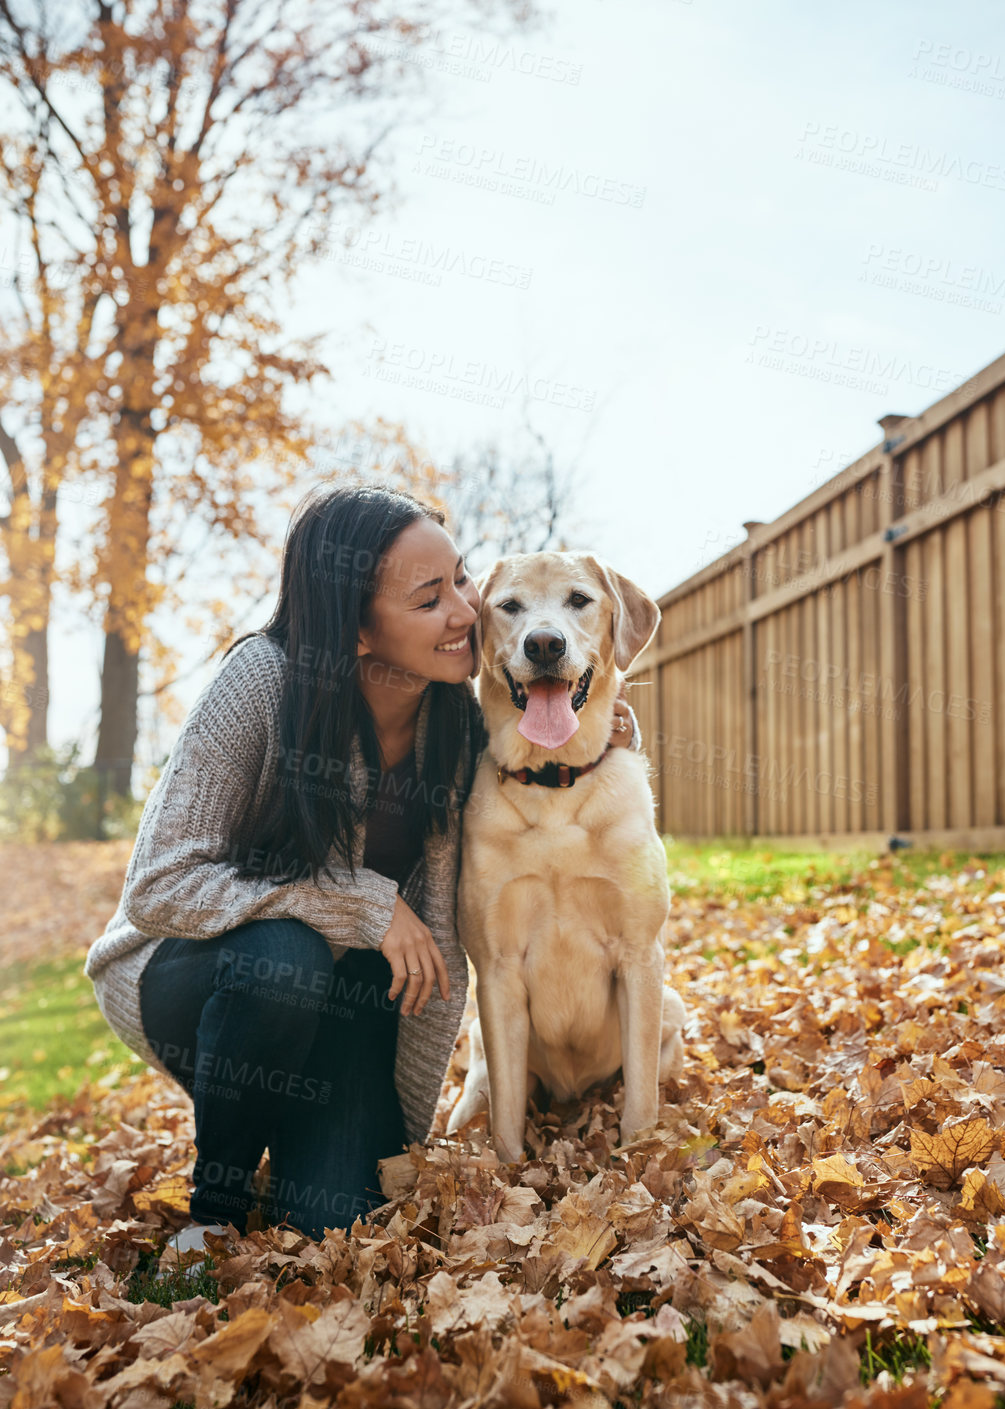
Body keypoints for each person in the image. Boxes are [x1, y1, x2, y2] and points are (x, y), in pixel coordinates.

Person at [83, 482, 640, 1245]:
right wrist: (360, 903)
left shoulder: (461, 712)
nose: (466, 611)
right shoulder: (260, 685)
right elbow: (157, 886)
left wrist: (602, 732)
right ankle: (211, 1216)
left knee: (335, 1219)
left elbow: (552, 727)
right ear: (355, 632)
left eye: (462, 580)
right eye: (428, 600)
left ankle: (278, 1117)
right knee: (287, 953)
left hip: (341, 1004)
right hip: (195, 972)